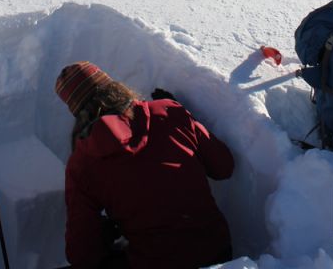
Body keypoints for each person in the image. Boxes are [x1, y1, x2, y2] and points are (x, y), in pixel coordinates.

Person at [55, 61, 234, 269]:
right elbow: (224, 167)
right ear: (113, 87)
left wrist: (105, 232)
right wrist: (184, 120)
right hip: (218, 253)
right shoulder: (170, 111)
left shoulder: (83, 162)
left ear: (76, 111)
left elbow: (82, 254)